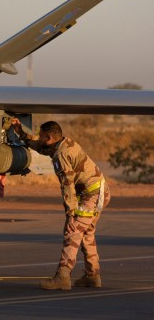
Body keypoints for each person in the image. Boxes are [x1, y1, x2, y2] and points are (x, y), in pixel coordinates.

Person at [11, 119, 111, 290]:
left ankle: (62, 277)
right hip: (98, 191)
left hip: (91, 195)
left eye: (42, 136)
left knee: (72, 231)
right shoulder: (63, 143)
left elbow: (67, 185)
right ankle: (92, 276)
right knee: (86, 233)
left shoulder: (61, 155)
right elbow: (38, 145)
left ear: (49, 137)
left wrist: (70, 211)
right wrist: (20, 133)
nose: (40, 139)